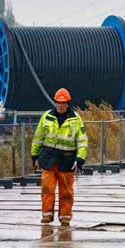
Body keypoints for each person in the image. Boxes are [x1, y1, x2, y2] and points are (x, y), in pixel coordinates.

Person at [31, 88, 88, 226]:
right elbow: (38, 137)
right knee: (47, 189)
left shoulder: (76, 119)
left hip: (66, 161)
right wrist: (34, 154)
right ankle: (47, 215)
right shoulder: (46, 117)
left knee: (66, 192)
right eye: (58, 102)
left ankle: (65, 217)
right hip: (48, 160)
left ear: (68, 103)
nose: (61, 105)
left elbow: (82, 140)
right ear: (55, 102)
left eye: (63, 103)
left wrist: (80, 159)